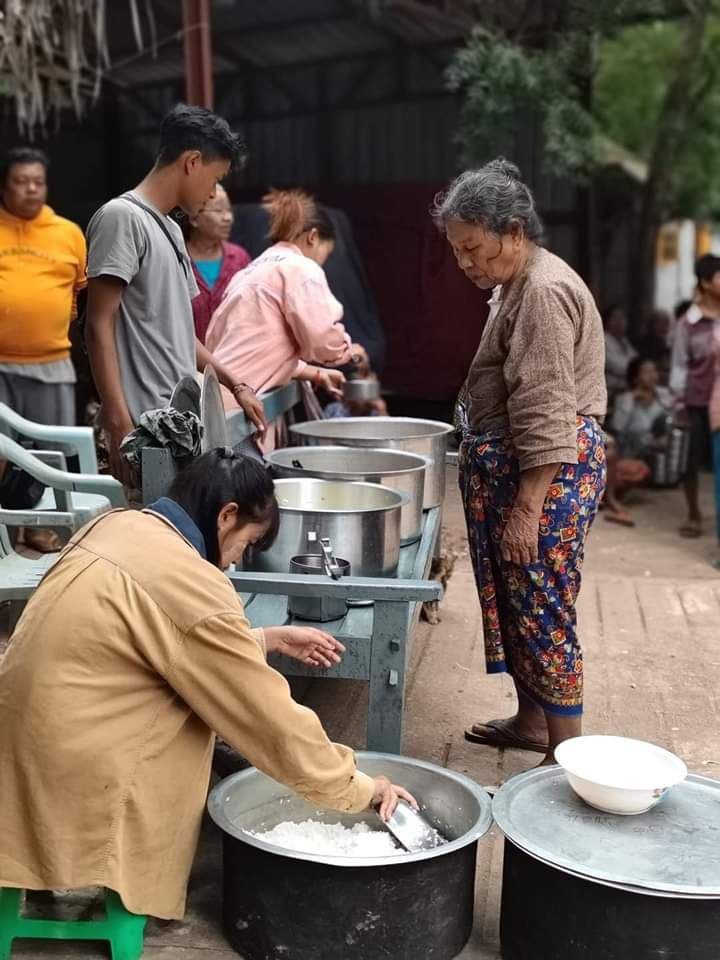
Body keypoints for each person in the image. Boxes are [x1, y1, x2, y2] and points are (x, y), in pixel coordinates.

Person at [0, 449, 415, 922]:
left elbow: (145, 640)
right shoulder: (193, 581)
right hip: (74, 765)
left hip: (19, 742)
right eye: (245, 543)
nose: (236, 561)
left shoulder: (117, 524)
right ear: (226, 516)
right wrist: (359, 786)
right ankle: (115, 864)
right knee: (198, 722)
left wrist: (262, 639)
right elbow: (266, 717)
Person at [433, 159, 607, 764]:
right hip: (515, 468)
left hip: (545, 475)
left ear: (513, 230)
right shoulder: (514, 283)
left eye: (474, 248)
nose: (467, 264)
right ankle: (533, 723)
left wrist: (527, 509)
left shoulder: (542, 290)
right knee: (516, 599)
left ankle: (566, 759)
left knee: (543, 602)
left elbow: (546, 408)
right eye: (458, 252)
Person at [85, 104, 267, 486]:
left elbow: (183, 335)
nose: (214, 193)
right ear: (192, 161)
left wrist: (236, 385)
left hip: (180, 429)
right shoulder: (122, 218)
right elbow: (98, 324)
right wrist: (118, 420)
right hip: (142, 432)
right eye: (215, 179)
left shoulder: (170, 229)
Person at [0, 147, 87, 552]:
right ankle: (3, 533)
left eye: (38, 181)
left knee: (47, 456)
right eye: (21, 181)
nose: (31, 189)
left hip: (50, 363)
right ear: (5, 185)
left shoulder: (68, 233)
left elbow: (77, 299)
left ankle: (35, 527)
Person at [205, 188, 353, 409]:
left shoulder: (249, 271)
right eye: (325, 253)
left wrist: (315, 374)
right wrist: (349, 350)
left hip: (215, 399)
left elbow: (250, 349)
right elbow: (324, 341)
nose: (322, 262)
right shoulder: (301, 268)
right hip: (243, 406)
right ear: (312, 237)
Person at [669, 255, 720, 538]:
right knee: (692, 460)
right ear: (704, 282)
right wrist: (679, 403)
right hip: (696, 400)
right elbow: (679, 364)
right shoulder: (689, 323)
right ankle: (693, 513)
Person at [184, 183, 251, 343]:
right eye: (219, 210)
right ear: (194, 218)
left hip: (231, 361)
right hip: (186, 362)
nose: (228, 218)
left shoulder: (240, 258)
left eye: (229, 210)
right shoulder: (176, 259)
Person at [611, 357, 672, 461]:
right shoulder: (625, 399)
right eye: (646, 372)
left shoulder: (663, 396)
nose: (652, 375)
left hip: (658, 454)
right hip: (630, 454)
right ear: (635, 378)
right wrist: (631, 400)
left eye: (654, 371)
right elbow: (617, 428)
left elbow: (671, 422)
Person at [603, 305, 637, 399]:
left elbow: (637, 362)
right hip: (610, 391)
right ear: (607, 321)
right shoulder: (602, 340)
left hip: (628, 389)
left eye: (622, 318)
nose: (620, 321)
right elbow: (619, 367)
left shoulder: (624, 341)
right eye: (616, 318)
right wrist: (638, 371)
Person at [636, 309, 672, 382]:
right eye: (662, 323)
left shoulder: (665, 341)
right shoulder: (645, 342)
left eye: (666, 323)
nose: (665, 327)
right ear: (653, 324)